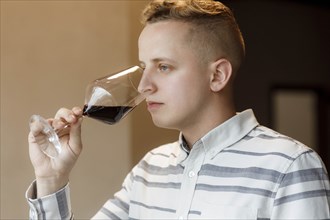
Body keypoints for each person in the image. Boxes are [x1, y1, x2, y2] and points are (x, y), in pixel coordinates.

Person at [26, 0, 330, 219]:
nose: (144, 84)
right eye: (145, 66)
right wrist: (53, 178)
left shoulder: (290, 167)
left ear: (217, 76)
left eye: (164, 67)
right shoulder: (149, 169)